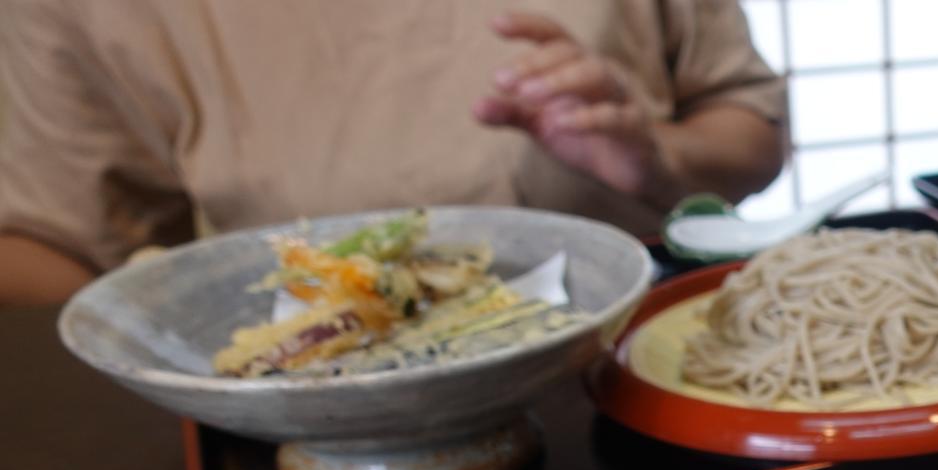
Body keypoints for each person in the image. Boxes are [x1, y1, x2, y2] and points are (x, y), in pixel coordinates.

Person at [0, 2, 787, 306]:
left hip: (648, 346)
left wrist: (656, 156)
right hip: (293, 412)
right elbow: (46, 238)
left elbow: (749, 130)